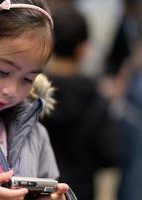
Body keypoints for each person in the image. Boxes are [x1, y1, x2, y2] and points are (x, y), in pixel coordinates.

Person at [0, 0, 77, 199]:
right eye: (3, 71)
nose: (11, 90)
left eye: (28, 79)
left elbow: (52, 181)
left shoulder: (35, 134)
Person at [41, 4, 123, 200]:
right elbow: (110, 154)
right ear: (83, 49)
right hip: (79, 192)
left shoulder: (29, 93)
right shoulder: (95, 98)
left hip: (36, 192)